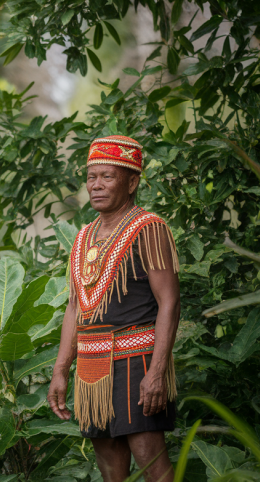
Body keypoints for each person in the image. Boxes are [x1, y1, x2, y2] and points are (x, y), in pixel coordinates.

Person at [47, 135, 180, 482]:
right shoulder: (82, 237)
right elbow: (74, 307)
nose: (96, 185)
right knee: (110, 469)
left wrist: (157, 372)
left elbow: (170, 301)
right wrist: (61, 369)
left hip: (138, 363)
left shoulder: (148, 228)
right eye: (92, 177)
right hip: (91, 368)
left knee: (151, 462)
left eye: (107, 176)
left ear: (132, 182)